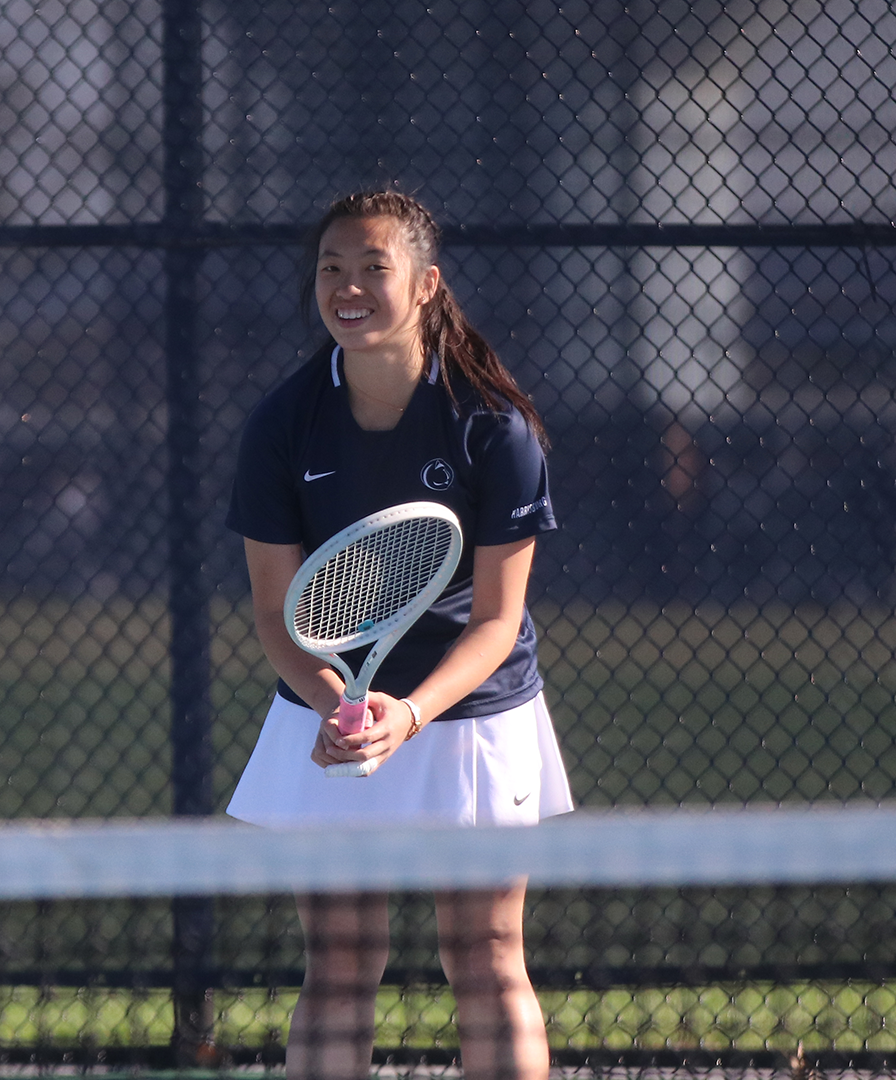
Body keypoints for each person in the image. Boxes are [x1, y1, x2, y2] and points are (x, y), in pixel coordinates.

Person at [224, 190, 573, 1080]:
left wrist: (409, 714)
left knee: (488, 960)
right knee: (339, 967)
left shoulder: (495, 427)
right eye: (330, 268)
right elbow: (276, 612)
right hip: (331, 713)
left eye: (373, 267)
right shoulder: (281, 423)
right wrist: (334, 704)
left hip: (470, 714)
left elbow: (499, 618)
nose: (347, 287)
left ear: (425, 285)